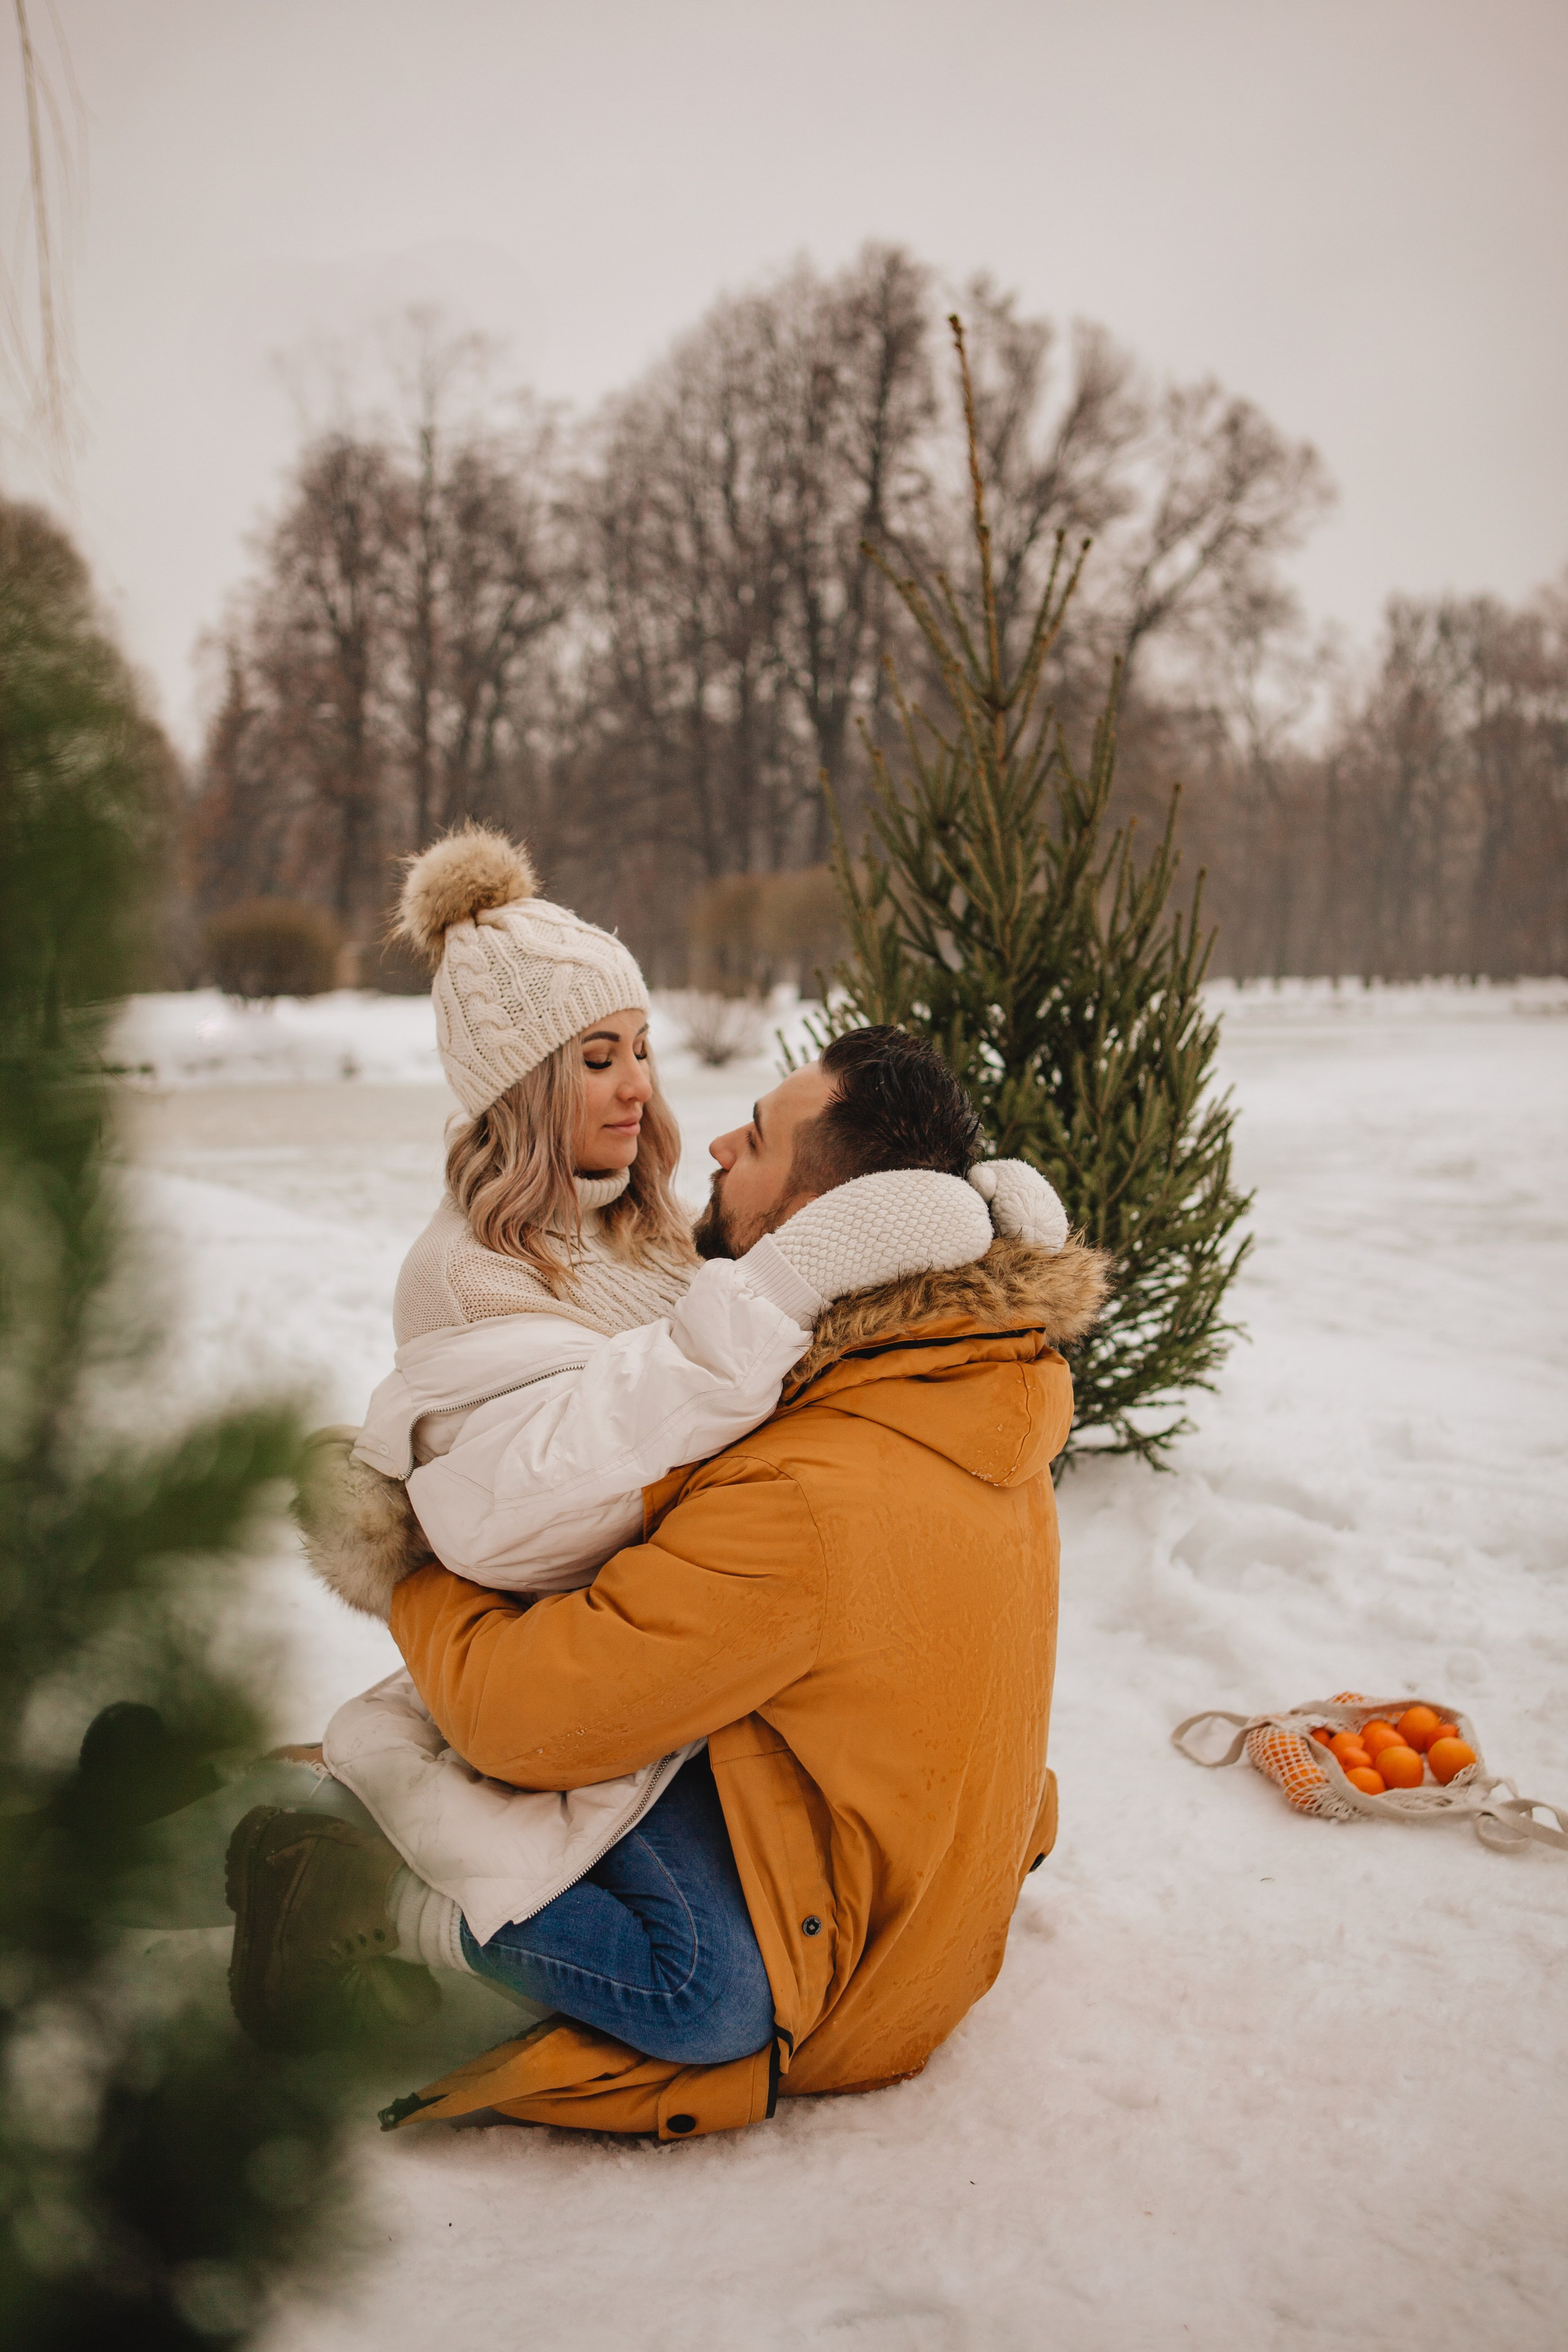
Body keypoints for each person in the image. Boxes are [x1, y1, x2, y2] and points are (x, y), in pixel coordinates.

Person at [228, 832, 1108, 2133]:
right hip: (562, 1628)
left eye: (640, 1049)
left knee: (627, 1895)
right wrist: (776, 1290)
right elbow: (526, 1510)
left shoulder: (683, 1260)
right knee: (632, 1926)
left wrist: (897, 1253)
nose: (651, 1099)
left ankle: (313, 1836)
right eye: (599, 1058)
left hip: (664, 1656)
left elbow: (718, 1414)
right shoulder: (477, 1278)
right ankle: (282, 1850)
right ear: (522, 1086)